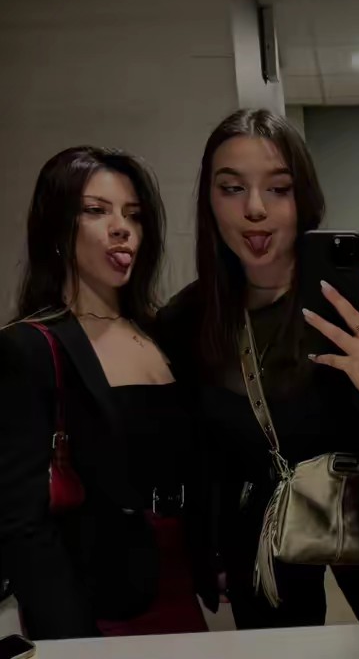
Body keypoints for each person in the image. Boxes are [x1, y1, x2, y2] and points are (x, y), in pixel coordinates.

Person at [155, 109, 359, 630]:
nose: (254, 209)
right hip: (262, 550)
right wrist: (210, 547)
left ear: (303, 198)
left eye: (278, 189)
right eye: (232, 188)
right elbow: (203, 455)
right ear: (208, 201)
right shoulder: (188, 319)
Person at [0, 146, 207, 639]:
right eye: (96, 211)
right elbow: (21, 523)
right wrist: (72, 640)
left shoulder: (163, 333)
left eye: (133, 215)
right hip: (94, 604)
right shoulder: (29, 347)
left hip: (179, 587)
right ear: (56, 227)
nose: (122, 228)